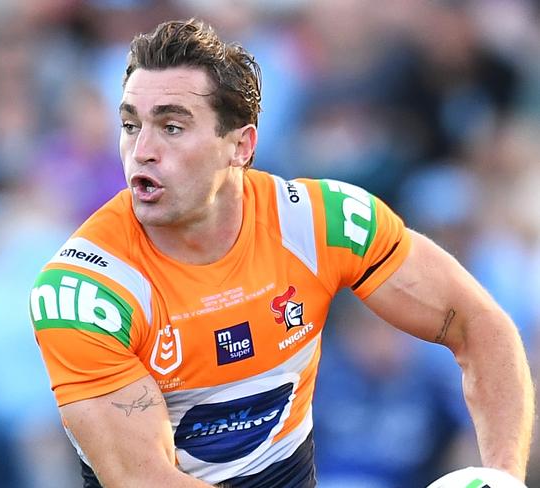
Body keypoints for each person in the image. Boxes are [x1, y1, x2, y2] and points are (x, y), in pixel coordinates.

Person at [29, 19, 534, 488]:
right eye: (131, 124)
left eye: (172, 126)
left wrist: (503, 477)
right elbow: (146, 482)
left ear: (241, 145)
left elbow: (480, 325)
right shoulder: (88, 291)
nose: (141, 150)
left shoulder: (319, 223)